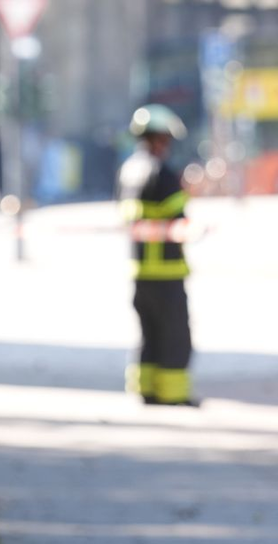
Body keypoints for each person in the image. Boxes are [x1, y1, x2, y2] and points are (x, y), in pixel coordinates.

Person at [118, 105, 195, 406]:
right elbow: (179, 219)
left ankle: (145, 389)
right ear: (160, 139)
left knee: (148, 335)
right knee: (174, 336)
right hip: (166, 271)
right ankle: (173, 395)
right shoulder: (162, 172)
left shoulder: (128, 171)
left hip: (139, 272)